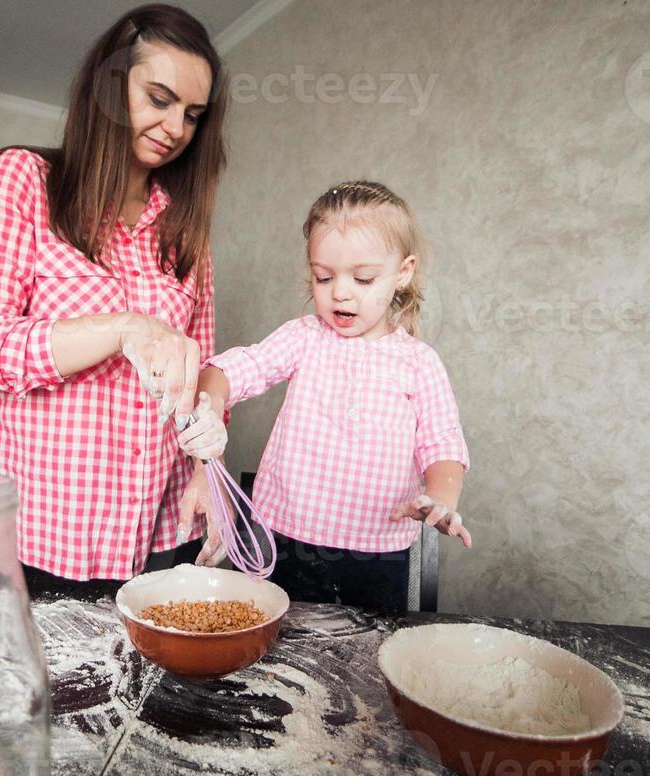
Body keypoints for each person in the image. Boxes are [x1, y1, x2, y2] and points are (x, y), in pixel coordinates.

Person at [0, 4, 230, 591]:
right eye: (158, 98)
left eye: (192, 114)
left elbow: (199, 372)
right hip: (44, 540)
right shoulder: (21, 182)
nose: (176, 128)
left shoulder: (185, 233)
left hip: (162, 530)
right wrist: (123, 328)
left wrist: (210, 471)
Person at [185, 181, 471, 611]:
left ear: (403, 272)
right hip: (283, 539)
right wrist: (209, 407)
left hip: (377, 551)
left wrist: (442, 500)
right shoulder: (303, 338)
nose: (340, 291)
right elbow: (225, 370)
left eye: (363, 278)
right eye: (324, 276)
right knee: (273, 649)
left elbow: (443, 445)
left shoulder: (419, 362)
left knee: (360, 659)